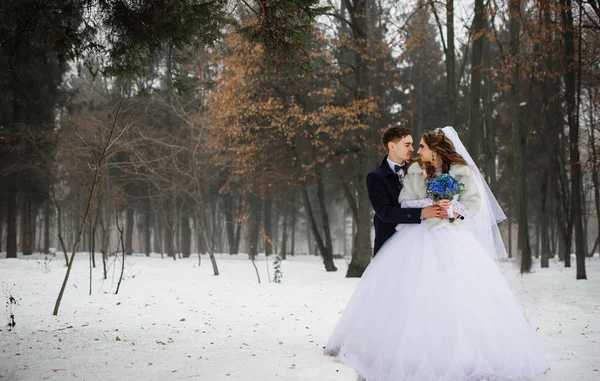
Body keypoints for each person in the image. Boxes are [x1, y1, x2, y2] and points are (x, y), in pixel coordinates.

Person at [325, 127, 549, 381]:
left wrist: (451, 207)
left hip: (453, 238)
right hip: (415, 238)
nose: (416, 151)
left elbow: (474, 207)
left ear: (435, 149)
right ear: (392, 145)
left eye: (420, 146)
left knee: (459, 293)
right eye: (412, 145)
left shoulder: (462, 171)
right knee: (410, 292)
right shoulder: (413, 171)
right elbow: (402, 203)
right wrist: (429, 206)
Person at [366, 126, 445, 256]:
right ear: (392, 146)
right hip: (390, 242)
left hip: (421, 241)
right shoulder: (375, 177)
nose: (412, 149)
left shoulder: (421, 168)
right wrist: (421, 213)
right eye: (407, 145)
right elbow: (385, 212)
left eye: (412, 144)